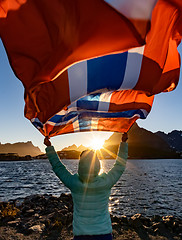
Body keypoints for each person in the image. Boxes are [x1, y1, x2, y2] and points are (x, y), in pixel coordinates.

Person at [44, 132, 128, 240]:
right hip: (104, 234)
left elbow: (58, 167)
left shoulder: (74, 183)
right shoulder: (106, 182)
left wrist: (49, 147)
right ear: (97, 164)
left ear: (81, 165)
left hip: (81, 235)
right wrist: (124, 143)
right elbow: (120, 166)